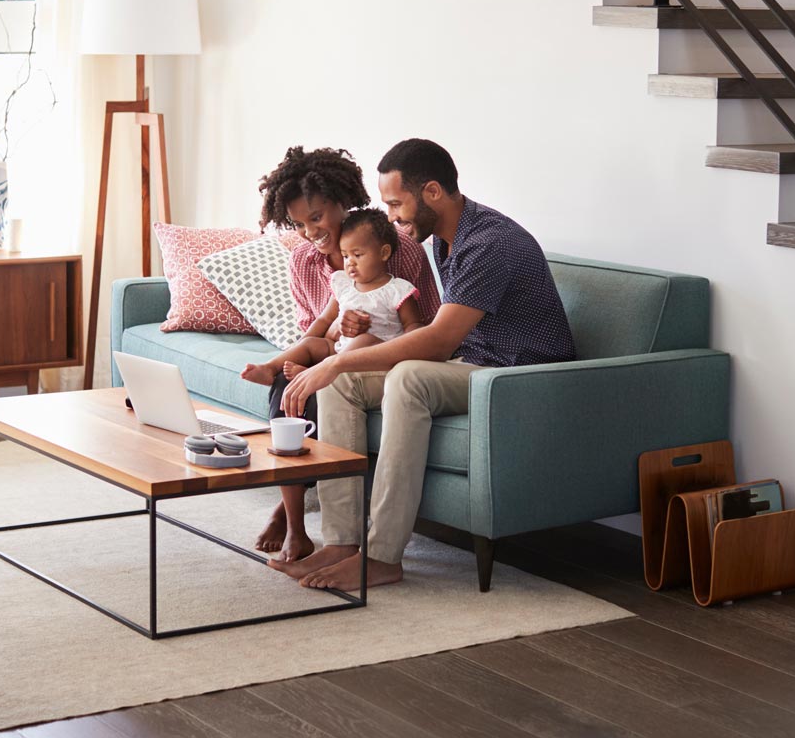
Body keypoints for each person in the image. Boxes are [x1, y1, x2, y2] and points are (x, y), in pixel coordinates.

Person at [273, 138, 577, 590]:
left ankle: (382, 558)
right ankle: (342, 542)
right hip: (474, 365)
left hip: (517, 376)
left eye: (396, 203)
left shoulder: (489, 241)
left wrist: (333, 363)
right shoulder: (446, 242)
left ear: (432, 192)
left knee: (407, 377)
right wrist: (338, 363)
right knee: (341, 384)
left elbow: (437, 341)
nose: (391, 217)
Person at [252, 147, 441, 563]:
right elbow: (314, 328)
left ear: (342, 202)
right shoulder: (302, 259)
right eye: (299, 223)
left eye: (317, 218)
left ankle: (290, 512)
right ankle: (297, 529)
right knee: (288, 386)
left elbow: (422, 325)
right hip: (332, 350)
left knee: (321, 382)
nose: (309, 233)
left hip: (384, 354)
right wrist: (333, 336)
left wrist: (359, 334)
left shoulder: (398, 249)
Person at [242, 209, 424, 386]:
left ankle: (313, 373)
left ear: (384, 253)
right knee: (311, 343)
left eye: (358, 255)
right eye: (345, 256)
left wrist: (405, 353)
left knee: (365, 340)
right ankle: (269, 368)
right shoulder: (344, 284)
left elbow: (413, 326)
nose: (350, 262)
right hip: (340, 349)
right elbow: (325, 319)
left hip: (378, 354)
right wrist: (304, 343)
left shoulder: (397, 290)